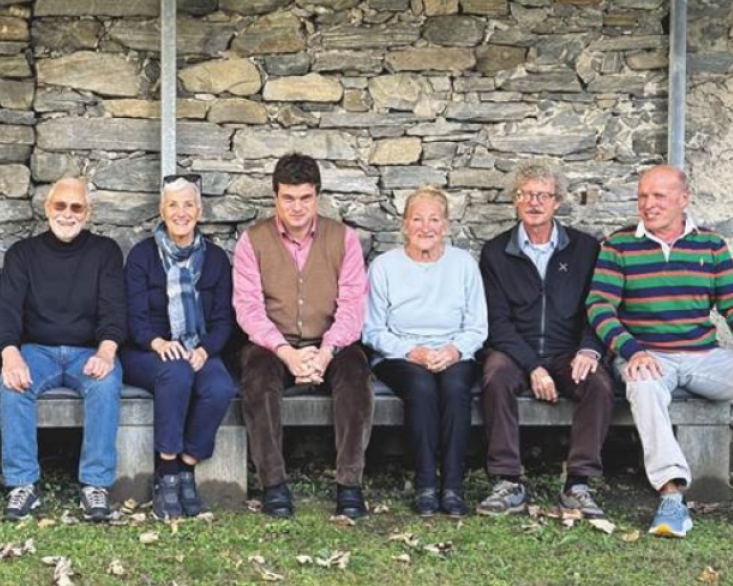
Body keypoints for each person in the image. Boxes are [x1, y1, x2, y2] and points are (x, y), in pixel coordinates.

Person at [587, 164, 733, 538]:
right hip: (648, 354)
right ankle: (671, 494)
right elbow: (599, 307)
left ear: (684, 198)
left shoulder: (711, 245)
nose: (648, 204)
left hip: (703, 355)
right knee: (642, 382)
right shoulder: (619, 245)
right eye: (643, 196)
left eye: (659, 196)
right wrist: (631, 350)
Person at [233, 152, 373, 519]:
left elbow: (353, 305)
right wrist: (287, 353)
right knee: (257, 378)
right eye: (289, 198)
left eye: (305, 198)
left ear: (317, 197)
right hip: (272, 343)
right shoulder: (252, 241)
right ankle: (274, 484)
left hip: (331, 342)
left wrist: (325, 352)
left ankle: (349, 484)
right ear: (275, 197)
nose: (297, 207)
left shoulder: (343, 239)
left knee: (356, 374)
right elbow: (248, 309)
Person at [477, 160, 611, 518]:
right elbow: (497, 322)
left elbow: (599, 308)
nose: (534, 203)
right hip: (514, 350)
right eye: (525, 195)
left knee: (598, 382)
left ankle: (578, 483)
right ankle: (508, 480)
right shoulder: (496, 252)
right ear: (515, 200)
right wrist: (534, 366)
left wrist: (589, 349)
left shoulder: (585, 249)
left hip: (567, 350)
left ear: (558, 202)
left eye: (543, 195)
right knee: (495, 376)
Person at [0, 177, 127, 522]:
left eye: (76, 207)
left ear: (88, 213)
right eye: (60, 205)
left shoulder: (105, 252)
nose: (67, 214)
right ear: (47, 208)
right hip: (37, 350)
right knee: (12, 384)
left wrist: (106, 352)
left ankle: (95, 484)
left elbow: (114, 311)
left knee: (106, 384)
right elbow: (7, 312)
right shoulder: (22, 254)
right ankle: (22, 484)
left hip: (89, 352)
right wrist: (10, 355)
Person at [363, 186, 487, 517]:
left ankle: (453, 486)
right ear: (405, 224)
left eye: (434, 219)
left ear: (445, 225)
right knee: (421, 387)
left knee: (455, 386)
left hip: (453, 350)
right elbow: (372, 330)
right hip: (400, 354)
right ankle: (426, 484)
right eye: (417, 219)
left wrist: (455, 350)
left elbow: (477, 326)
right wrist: (411, 351)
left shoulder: (463, 264)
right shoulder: (384, 266)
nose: (426, 227)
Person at [123, 173, 238, 519]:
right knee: (176, 374)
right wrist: (157, 342)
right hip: (147, 350)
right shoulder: (142, 256)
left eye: (188, 205)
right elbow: (133, 316)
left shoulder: (215, 259)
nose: (181, 212)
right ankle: (167, 470)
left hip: (198, 347)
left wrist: (205, 349)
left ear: (199, 212)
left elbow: (223, 320)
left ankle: (187, 465)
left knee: (220, 387)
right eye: (173, 205)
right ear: (162, 211)